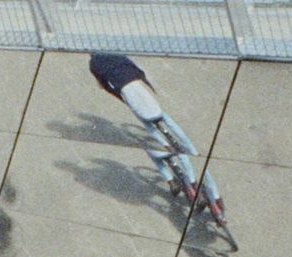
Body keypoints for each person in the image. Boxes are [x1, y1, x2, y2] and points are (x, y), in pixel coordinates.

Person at [87, 53, 220, 215]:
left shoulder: (94, 64)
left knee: (148, 127)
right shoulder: (113, 52)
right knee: (166, 119)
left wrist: (120, 96)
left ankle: (169, 172)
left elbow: (106, 86)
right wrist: (147, 84)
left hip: (125, 91)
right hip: (135, 82)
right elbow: (134, 68)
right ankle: (188, 154)